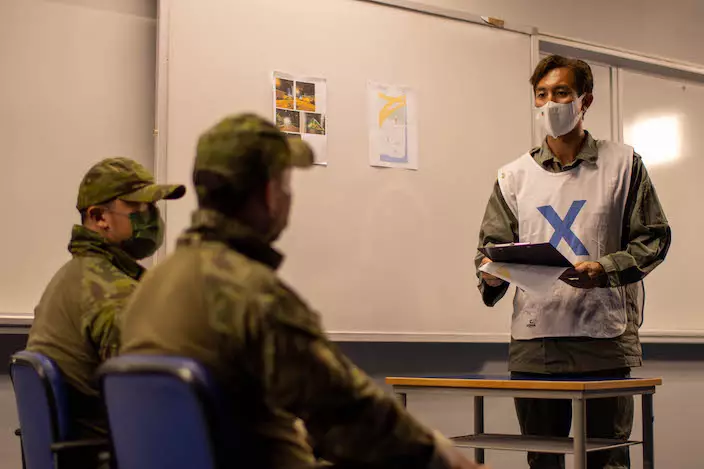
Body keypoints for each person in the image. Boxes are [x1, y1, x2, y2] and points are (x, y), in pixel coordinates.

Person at [120, 114, 486, 469]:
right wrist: (443, 456)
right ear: (269, 194)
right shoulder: (254, 294)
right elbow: (349, 412)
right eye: (285, 184)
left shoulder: (149, 287)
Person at [475, 55, 671, 469]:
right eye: (541, 94)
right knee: (543, 461)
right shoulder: (512, 177)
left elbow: (652, 237)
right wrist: (491, 276)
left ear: (586, 100)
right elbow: (490, 250)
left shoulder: (623, 165)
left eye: (562, 92)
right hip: (536, 346)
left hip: (604, 344)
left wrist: (604, 269)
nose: (551, 103)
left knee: (607, 460)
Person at [27, 157, 185, 442]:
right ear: (100, 217)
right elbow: (155, 400)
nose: (152, 218)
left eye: (153, 207)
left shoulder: (72, 277)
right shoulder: (112, 293)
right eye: (139, 208)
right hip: (112, 453)